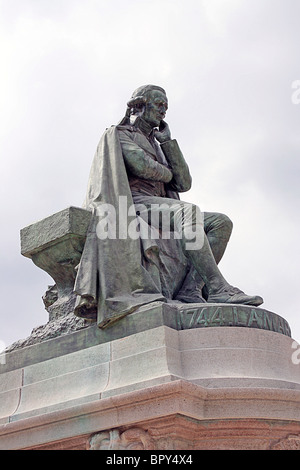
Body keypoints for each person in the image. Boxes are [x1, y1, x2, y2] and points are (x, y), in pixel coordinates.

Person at [74, 85, 263, 328]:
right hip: (135, 204)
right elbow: (141, 166)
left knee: (220, 223)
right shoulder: (121, 134)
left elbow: (184, 182)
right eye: (159, 105)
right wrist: (167, 173)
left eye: (166, 107)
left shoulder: (159, 144)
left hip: (161, 204)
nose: (163, 111)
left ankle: (191, 289)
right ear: (140, 106)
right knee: (189, 211)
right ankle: (218, 288)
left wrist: (169, 144)